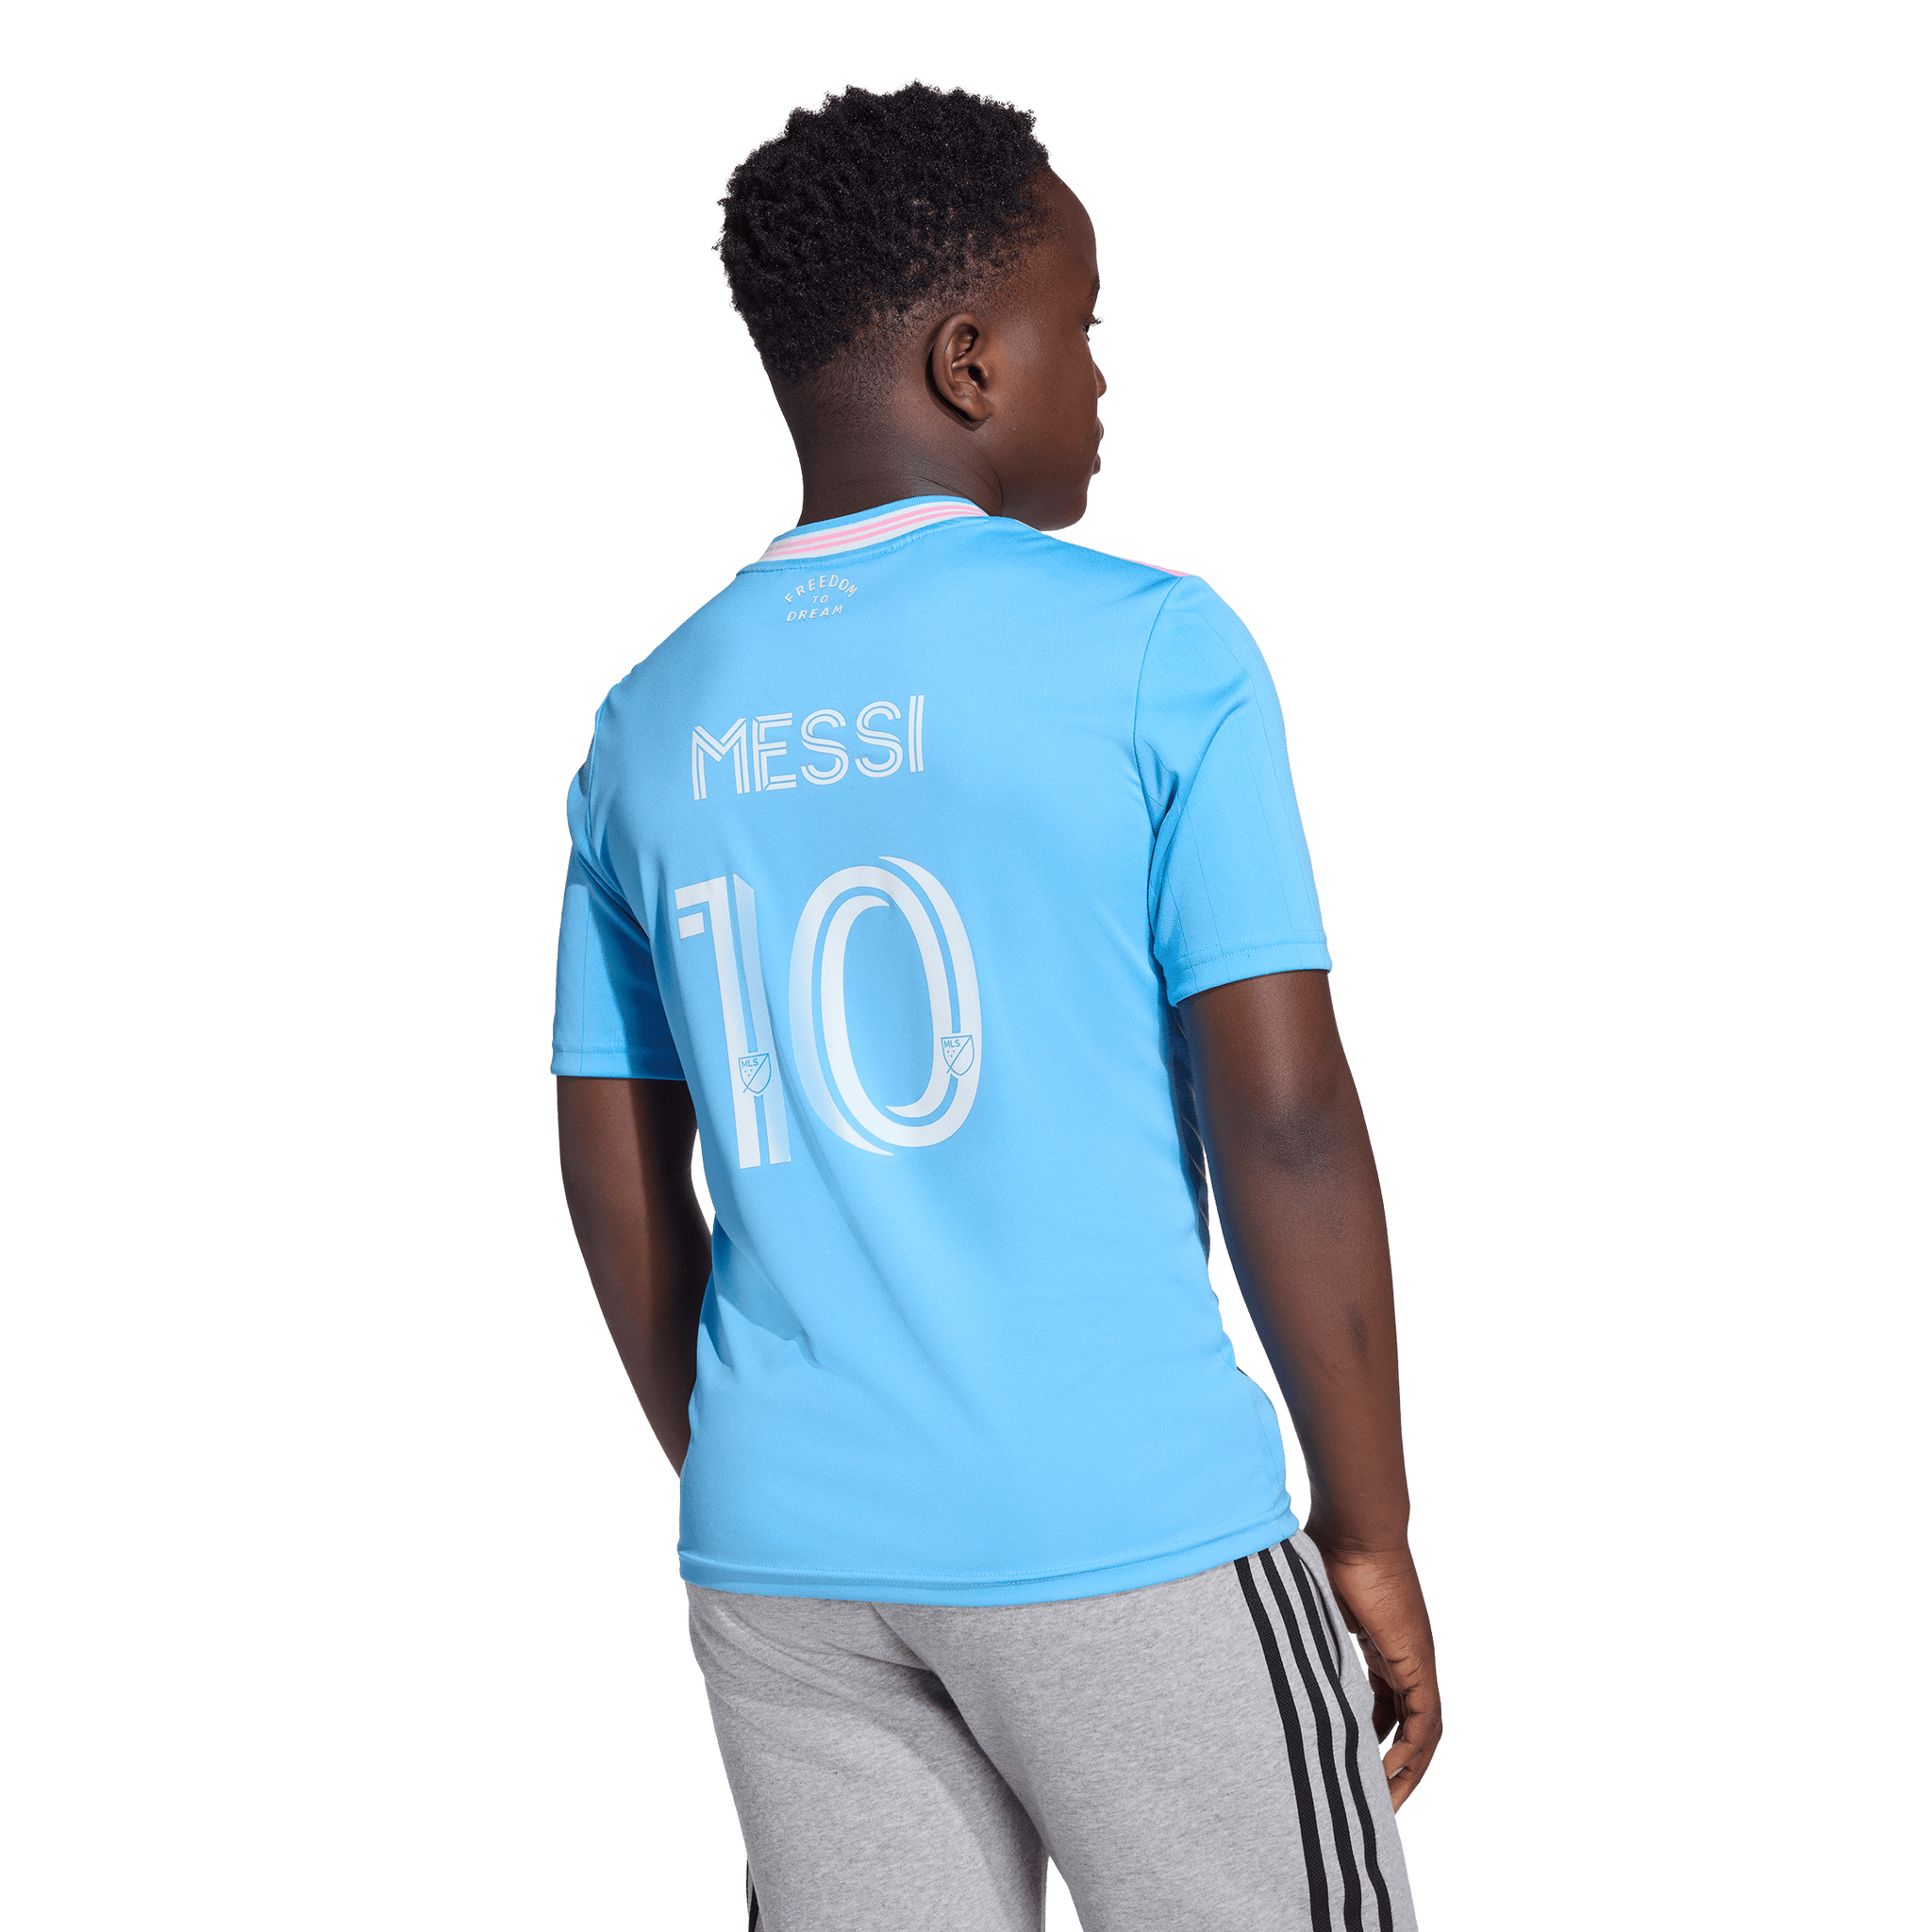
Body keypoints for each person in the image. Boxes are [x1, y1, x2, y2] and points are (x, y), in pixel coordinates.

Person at [551, 78, 1440, 1932]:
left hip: (787, 1562)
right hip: (1118, 1521)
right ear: (969, 361)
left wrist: (763, 1470)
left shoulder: (647, 721)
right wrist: (1367, 1528)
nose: (1100, 376)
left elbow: (614, 1160)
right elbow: (1281, 1120)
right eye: (1082, 326)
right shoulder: (1153, 650)